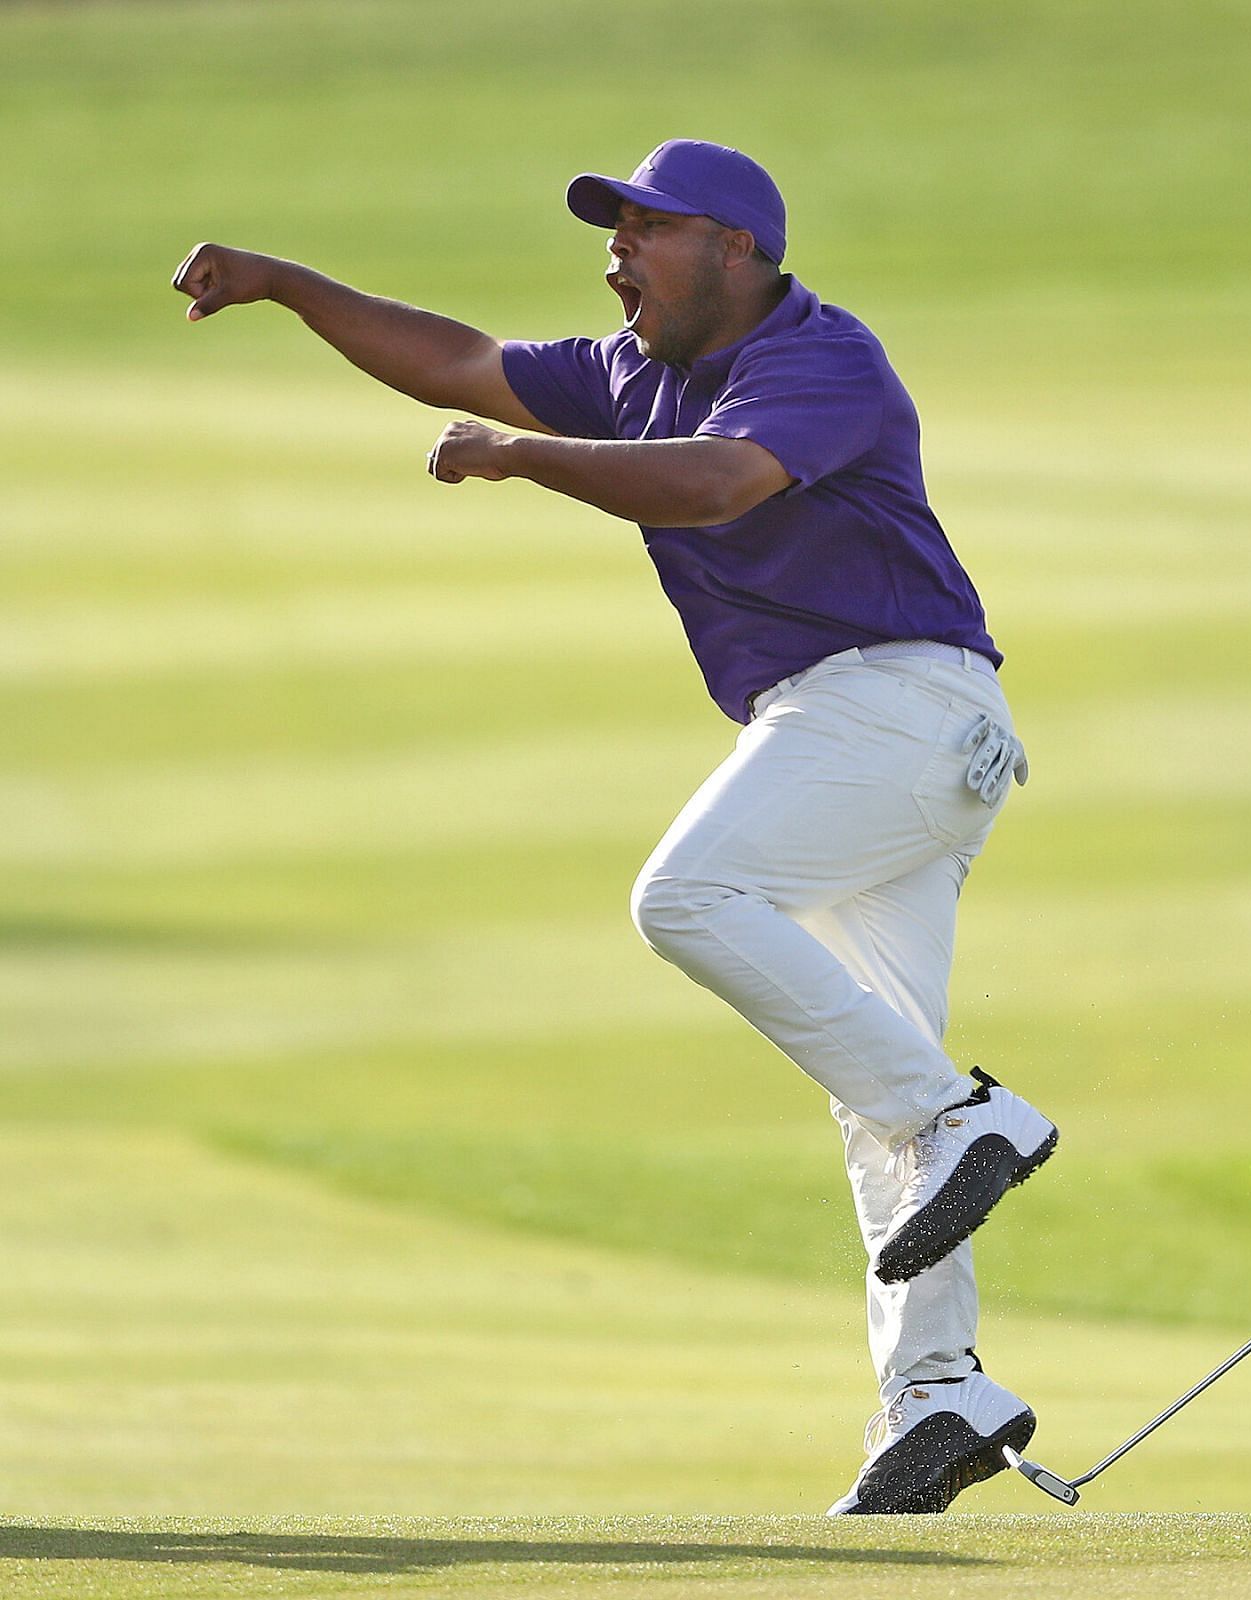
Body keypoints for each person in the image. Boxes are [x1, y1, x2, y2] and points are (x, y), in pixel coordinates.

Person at [172, 138, 1056, 1515]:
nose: (616, 252)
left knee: (690, 902)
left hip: (895, 704)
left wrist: (526, 458)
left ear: (738, 251)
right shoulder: (630, 370)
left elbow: (715, 483)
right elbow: (458, 357)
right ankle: (937, 1393)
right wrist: (289, 284)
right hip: (885, 732)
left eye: (648, 229)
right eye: (614, 230)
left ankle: (964, 1120)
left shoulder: (823, 357)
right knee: (871, 1072)